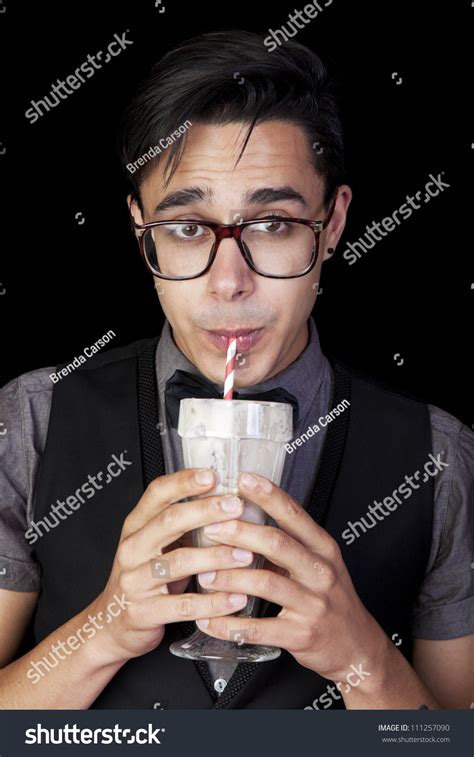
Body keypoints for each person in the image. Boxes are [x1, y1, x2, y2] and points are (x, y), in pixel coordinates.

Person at [0, 30, 472, 710]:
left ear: (333, 221)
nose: (230, 282)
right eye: (188, 226)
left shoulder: (442, 459)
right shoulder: (33, 422)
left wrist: (362, 657)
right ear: (141, 232)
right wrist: (104, 630)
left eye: (272, 223)